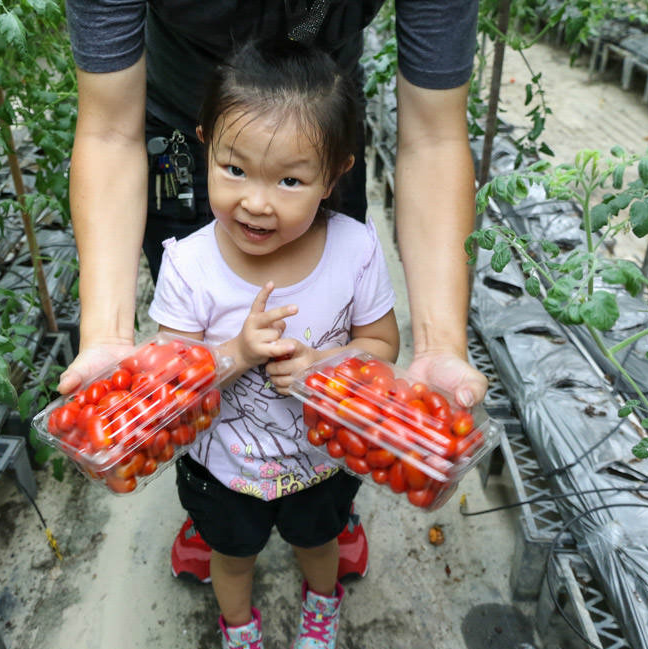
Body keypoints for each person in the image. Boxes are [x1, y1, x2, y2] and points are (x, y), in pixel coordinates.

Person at [59, 0, 488, 589]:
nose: (258, 206)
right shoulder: (206, 199)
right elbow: (109, 128)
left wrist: (440, 342)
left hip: (316, 125)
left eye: (284, 189)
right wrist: (107, 337)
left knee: (330, 299)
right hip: (188, 133)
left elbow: (435, 136)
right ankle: (219, 501)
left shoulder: (336, 210)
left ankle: (326, 492)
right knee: (200, 315)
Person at [148, 38, 399, 649]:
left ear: (336, 173)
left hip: (321, 461)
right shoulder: (189, 266)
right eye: (234, 169)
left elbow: (382, 345)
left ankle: (323, 601)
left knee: (320, 542)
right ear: (206, 144)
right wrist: (234, 352)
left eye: (290, 179)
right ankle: (239, 630)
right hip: (222, 470)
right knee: (232, 557)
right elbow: (168, 378)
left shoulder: (354, 251)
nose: (255, 201)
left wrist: (325, 364)